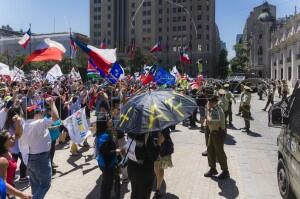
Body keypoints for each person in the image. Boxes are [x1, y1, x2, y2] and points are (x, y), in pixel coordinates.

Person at [19, 97, 59, 199]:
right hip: (41, 158)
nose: (42, 114)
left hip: (30, 157)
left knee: (35, 185)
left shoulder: (23, 125)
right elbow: (56, 118)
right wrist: (52, 103)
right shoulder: (39, 123)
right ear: (35, 114)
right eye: (40, 112)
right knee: (45, 184)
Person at [0, 118, 32, 199]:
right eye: (10, 138)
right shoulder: (2, 160)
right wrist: (22, 195)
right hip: (5, 191)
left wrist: (18, 123)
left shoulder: (9, 151)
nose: (13, 139)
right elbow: (3, 184)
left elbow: (18, 134)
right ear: (3, 143)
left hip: (11, 187)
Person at [127, 132, 159, 199]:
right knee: (144, 195)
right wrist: (158, 144)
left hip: (131, 168)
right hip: (144, 172)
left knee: (135, 192)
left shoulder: (130, 132)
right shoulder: (147, 135)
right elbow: (154, 156)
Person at [204, 94, 229, 179]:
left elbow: (211, 121)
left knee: (219, 152)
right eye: (209, 102)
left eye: (210, 102)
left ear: (214, 102)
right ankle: (212, 168)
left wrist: (207, 118)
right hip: (213, 132)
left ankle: (225, 171)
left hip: (218, 133)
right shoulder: (213, 109)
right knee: (210, 149)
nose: (209, 103)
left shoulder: (216, 110)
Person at [95, 115, 118, 199]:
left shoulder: (102, 132)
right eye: (109, 119)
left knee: (106, 183)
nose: (111, 120)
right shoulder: (104, 136)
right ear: (104, 123)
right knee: (107, 186)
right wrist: (117, 151)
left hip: (103, 163)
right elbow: (106, 152)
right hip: (107, 164)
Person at [4, 108, 29, 182]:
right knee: (24, 161)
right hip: (19, 146)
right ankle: (23, 177)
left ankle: (12, 176)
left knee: (13, 161)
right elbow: (21, 133)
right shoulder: (18, 121)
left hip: (12, 147)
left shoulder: (7, 123)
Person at [154, 128, 174, 198]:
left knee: (159, 167)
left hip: (162, 147)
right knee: (157, 167)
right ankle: (158, 187)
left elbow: (163, 136)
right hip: (155, 146)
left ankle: (158, 189)